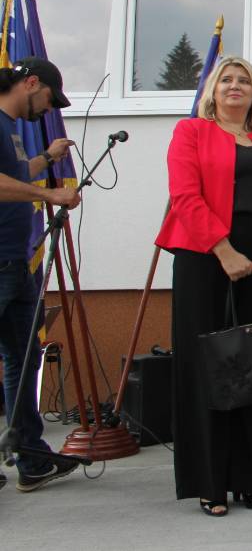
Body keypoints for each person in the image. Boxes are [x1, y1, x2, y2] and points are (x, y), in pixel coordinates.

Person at [156, 57, 252, 515]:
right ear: (213, 90)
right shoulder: (190, 132)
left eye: (244, 81)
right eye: (227, 80)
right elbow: (185, 195)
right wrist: (223, 249)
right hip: (204, 257)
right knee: (208, 367)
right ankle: (210, 482)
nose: (235, 86)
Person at [0, 58, 78, 495]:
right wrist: (49, 194)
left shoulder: (10, 128)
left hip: (17, 261)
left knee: (23, 359)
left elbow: (11, 176)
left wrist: (46, 158)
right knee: (17, 359)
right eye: (49, 98)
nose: (49, 109)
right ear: (31, 83)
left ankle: (30, 458)